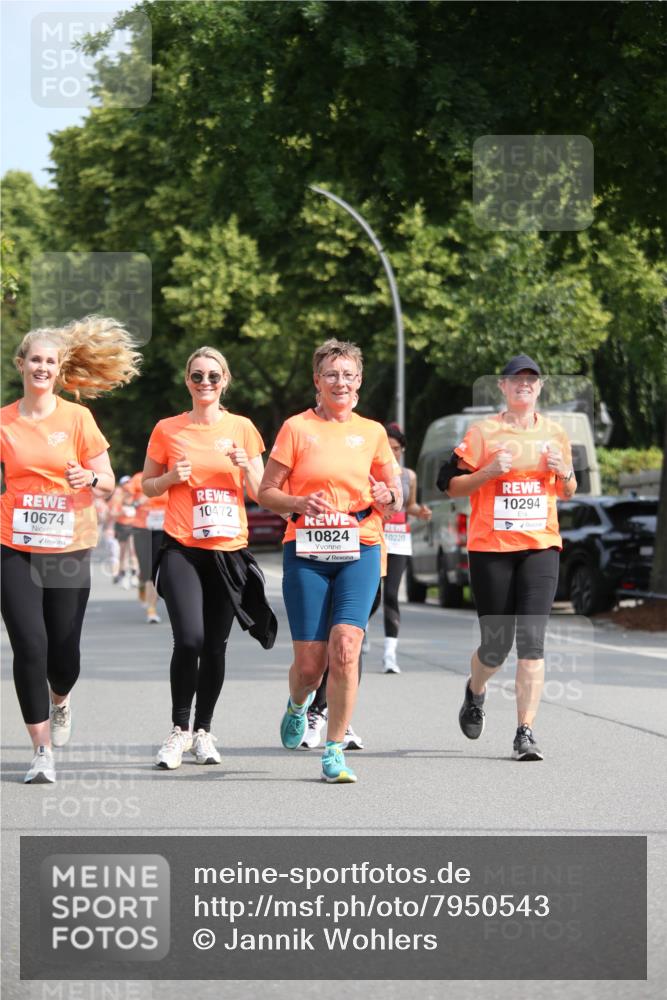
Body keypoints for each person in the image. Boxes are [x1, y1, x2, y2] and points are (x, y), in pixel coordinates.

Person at [0, 316, 140, 783]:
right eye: (35, 360)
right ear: (21, 364)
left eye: (50, 362)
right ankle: (41, 751)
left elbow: (105, 479)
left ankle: (60, 699)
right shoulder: (3, 421)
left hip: (68, 543)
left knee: (63, 653)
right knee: (29, 644)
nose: (42, 367)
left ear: (59, 371)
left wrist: (89, 477)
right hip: (13, 543)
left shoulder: (77, 418)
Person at [258, 338, 401, 783]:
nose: (341, 382)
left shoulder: (373, 432)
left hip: (360, 544)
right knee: (310, 665)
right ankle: (298, 704)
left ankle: (334, 748)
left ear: (359, 384)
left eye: (349, 375)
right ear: (317, 381)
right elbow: (266, 492)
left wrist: (388, 495)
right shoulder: (296, 428)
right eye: (333, 375)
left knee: (346, 647)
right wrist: (299, 500)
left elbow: (397, 497)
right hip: (307, 548)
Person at [142, 346, 276, 770]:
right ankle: (178, 731)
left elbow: (260, 492)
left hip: (227, 550)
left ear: (225, 381)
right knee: (190, 639)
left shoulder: (242, 429)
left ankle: (203, 731)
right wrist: (169, 477)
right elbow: (147, 486)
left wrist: (246, 466)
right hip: (182, 546)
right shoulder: (168, 429)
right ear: (187, 381)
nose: (205, 384)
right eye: (197, 376)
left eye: (213, 377)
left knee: (216, 646)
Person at [438, 354, 577, 760]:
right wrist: (488, 473)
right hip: (491, 549)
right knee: (496, 647)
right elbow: (448, 485)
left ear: (540, 386)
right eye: (517, 379)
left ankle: (525, 732)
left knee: (532, 643)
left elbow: (569, 490)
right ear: (503, 386)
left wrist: (564, 471)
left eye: (531, 380)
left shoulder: (555, 434)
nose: (524, 385)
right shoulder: (483, 433)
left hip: (540, 547)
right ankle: (475, 690)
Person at [368, 422, 432, 673]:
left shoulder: (409, 476)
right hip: (374, 538)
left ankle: (389, 654)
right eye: (388, 448)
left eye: (396, 448)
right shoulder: (371, 472)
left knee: (392, 595)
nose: (392, 453)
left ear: (402, 450)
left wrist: (421, 511)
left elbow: (410, 505)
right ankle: (357, 632)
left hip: (399, 541)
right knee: (372, 596)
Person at [127, 470, 166, 623]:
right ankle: (142, 586)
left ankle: (151, 609)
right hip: (141, 527)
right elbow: (125, 500)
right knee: (145, 569)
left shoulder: (171, 478)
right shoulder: (138, 478)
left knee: (153, 568)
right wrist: (138, 501)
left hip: (162, 528)